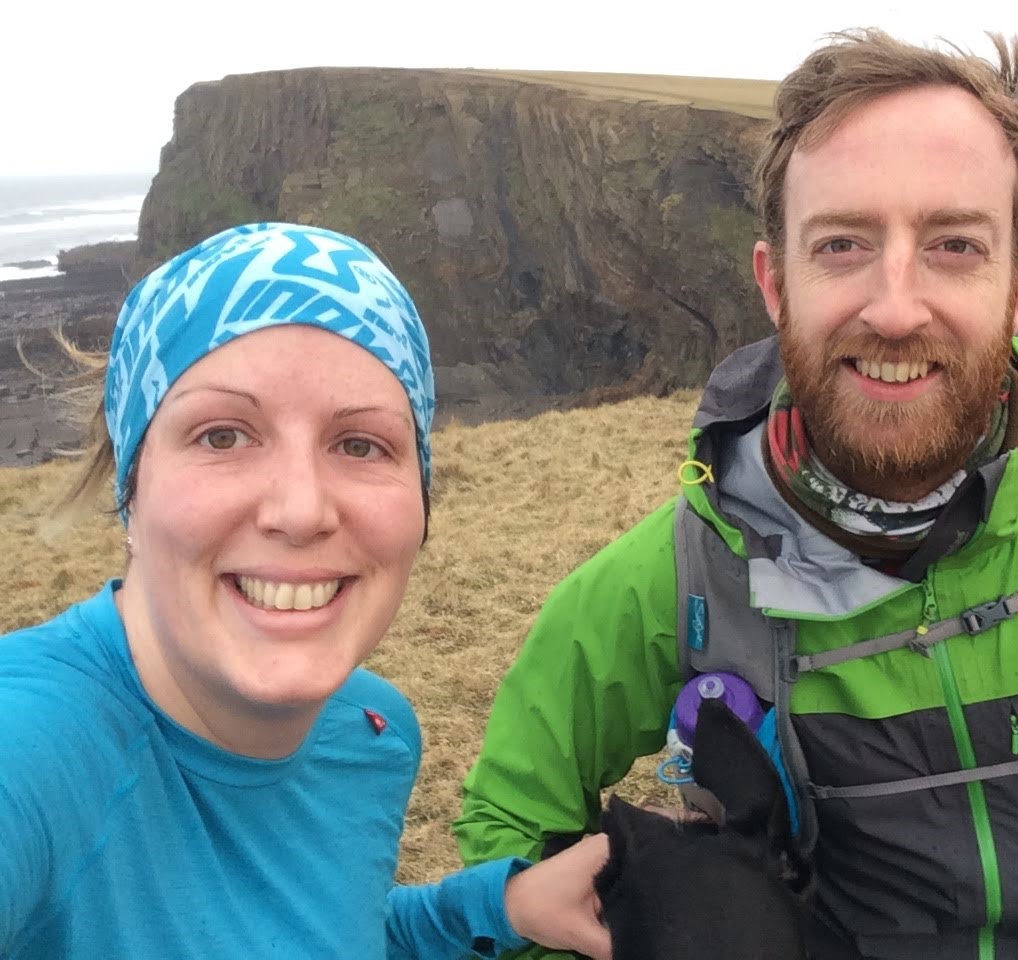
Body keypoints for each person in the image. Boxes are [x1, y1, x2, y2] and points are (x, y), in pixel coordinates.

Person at [455, 29, 1018, 960]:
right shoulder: (674, 580)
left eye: (955, 245)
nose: (894, 308)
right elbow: (508, 826)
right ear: (776, 283)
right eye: (842, 244)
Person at [0, 222, 611, 960]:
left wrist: (500, 904)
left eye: (361, 444)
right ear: (132, 491)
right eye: (222, 436)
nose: (300, 511)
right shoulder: (35, 751)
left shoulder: (371, 732)